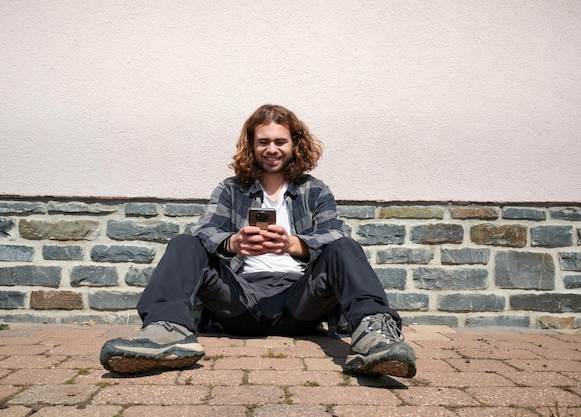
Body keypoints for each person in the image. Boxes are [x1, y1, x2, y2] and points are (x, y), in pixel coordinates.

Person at [100, 104, 416, 378]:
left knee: (345, 246)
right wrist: (232, 243)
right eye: (263, 141)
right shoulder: (230, 189)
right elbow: (205, 232)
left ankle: (375, 338)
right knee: (185, 243)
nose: (272, 148)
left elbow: (332, 232)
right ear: (251, 145)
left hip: (300, 301)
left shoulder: (314, 190)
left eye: (280, 141)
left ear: (295, 145)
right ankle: (164, 332)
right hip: (240, 299)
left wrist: (296, 245)